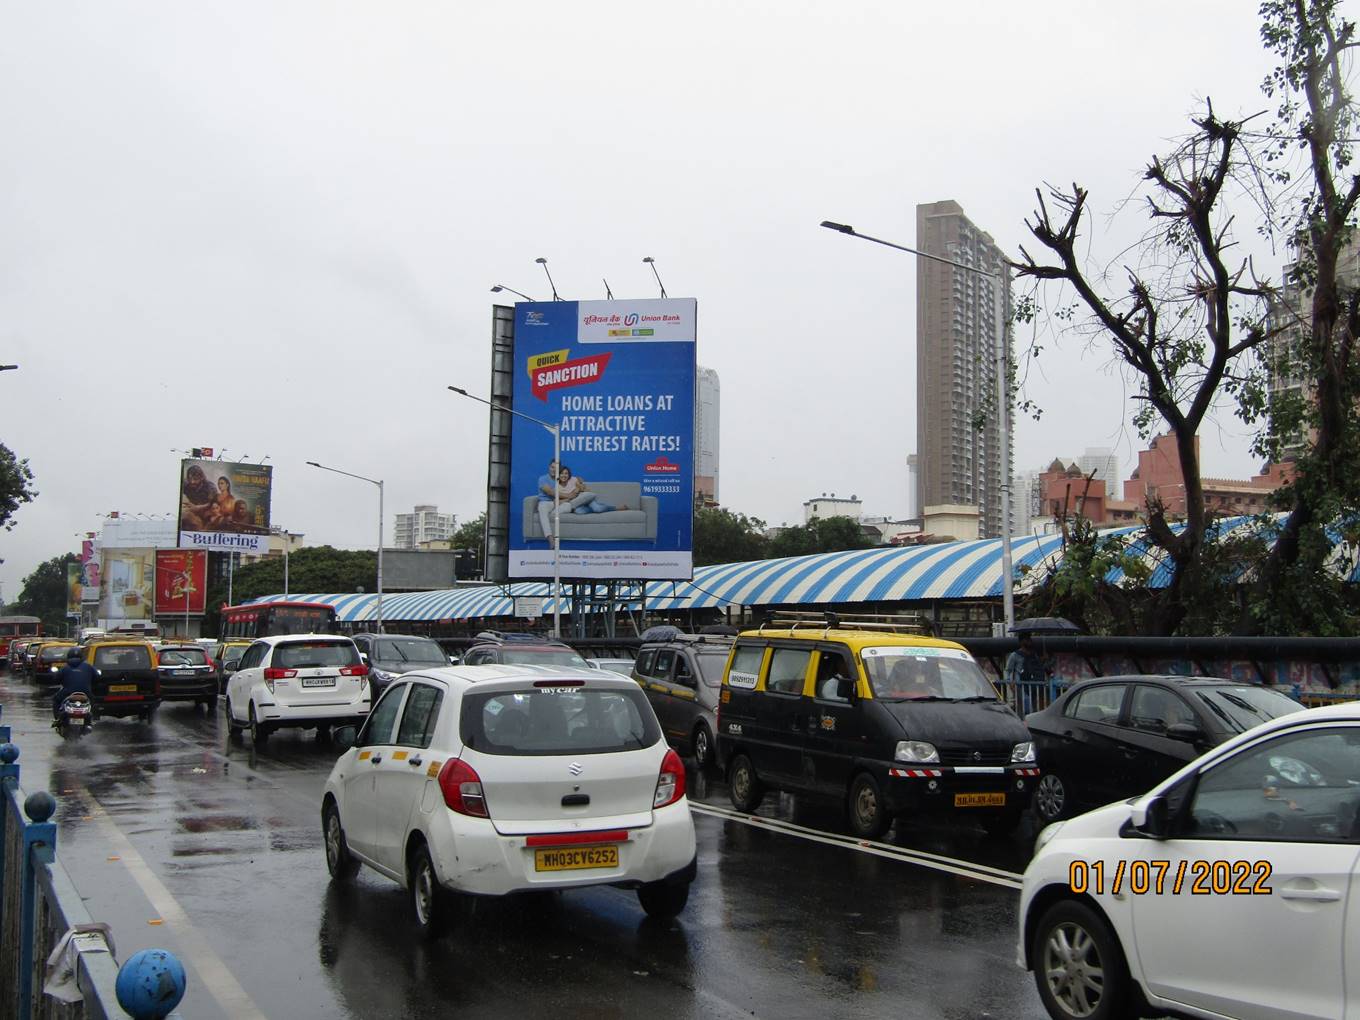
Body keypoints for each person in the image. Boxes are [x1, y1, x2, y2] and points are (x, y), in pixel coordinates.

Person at [557, 465, 630, 514]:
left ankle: (616, 508)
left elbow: (583, 487)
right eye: (562, 473)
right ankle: (597, 506)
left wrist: (579, 487)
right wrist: (571, 495)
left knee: (598, 509)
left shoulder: (573, 479)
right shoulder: (557, 486)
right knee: (579, 512)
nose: (564, 475)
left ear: (569, 475)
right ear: (558, 475)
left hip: (586, 498)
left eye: (566, 473)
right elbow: (560, 501)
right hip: (578, 504)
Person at [52, 648, 97, 722]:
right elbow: (97, 677)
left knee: (56, 700)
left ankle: (57, 719)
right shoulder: (88, 666)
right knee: (92, 701)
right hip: (86, 692)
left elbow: (56, 678)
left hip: (67, 692)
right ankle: (92, 719)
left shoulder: (65, 668)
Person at [180, 464, 218, 530]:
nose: (192, 482)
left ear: (201, 478)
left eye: (195, 479)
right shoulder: (186, 484)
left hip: (208, 513)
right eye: (190, 479)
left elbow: (214, 503)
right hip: (193, 511)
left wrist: (198, 507)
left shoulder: (210, 487)